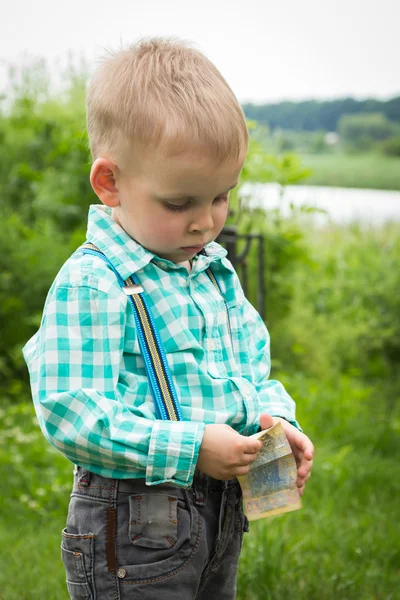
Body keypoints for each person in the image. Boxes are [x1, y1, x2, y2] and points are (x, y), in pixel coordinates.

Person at [23, 37, 314, 600]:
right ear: (110, 182)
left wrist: (276, 418)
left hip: (220, 517)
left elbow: (248, 366)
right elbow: (70, 411)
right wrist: (191, 446)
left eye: (221, 197)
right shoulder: (95, 283)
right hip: (135, 531)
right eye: (180, 204)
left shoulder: (212, 272)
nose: (205, 223)